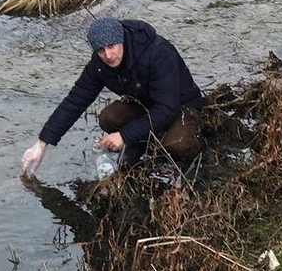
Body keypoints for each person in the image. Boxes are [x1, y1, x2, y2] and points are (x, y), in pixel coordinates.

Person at [20, 15, 204, 176]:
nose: (108, 55)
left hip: (181, 105)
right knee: (108, 118)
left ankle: (201, 154)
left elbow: (166, 109)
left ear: (121, 39)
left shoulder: (157, 52)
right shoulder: (99, 65)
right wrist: (42, 143)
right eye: (100, 50)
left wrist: (124, 135)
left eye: (111, 46)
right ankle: (139, 144)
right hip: (145, 104)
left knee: (176, 145)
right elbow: (75, 100)